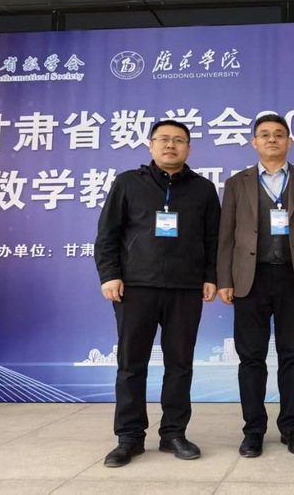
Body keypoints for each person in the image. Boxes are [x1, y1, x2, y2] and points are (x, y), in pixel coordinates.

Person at [94, 120, 220, 467]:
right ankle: (129, 437)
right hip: (136, 287)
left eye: (179, 140)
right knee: (131, 365)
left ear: (188, 148)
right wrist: (110, 275)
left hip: (185, 288)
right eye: (163, 139)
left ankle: (174, 434)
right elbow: (107, 234)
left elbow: (213, 238)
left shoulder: (203, 189)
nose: (170, 145)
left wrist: (211, 277)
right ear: (150, 145)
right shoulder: (128, 183)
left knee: (180, 364)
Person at [217, 114, 294, 458]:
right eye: (264, 135)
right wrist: (224, 280)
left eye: (279, 134)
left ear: (289, 141)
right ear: (254, 142)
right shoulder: (236, 183)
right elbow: (226, 235)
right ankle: (253, 431)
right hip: (249, 279)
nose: (271, 140)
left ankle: (292, 429)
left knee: (293, 356)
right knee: (250, 358)